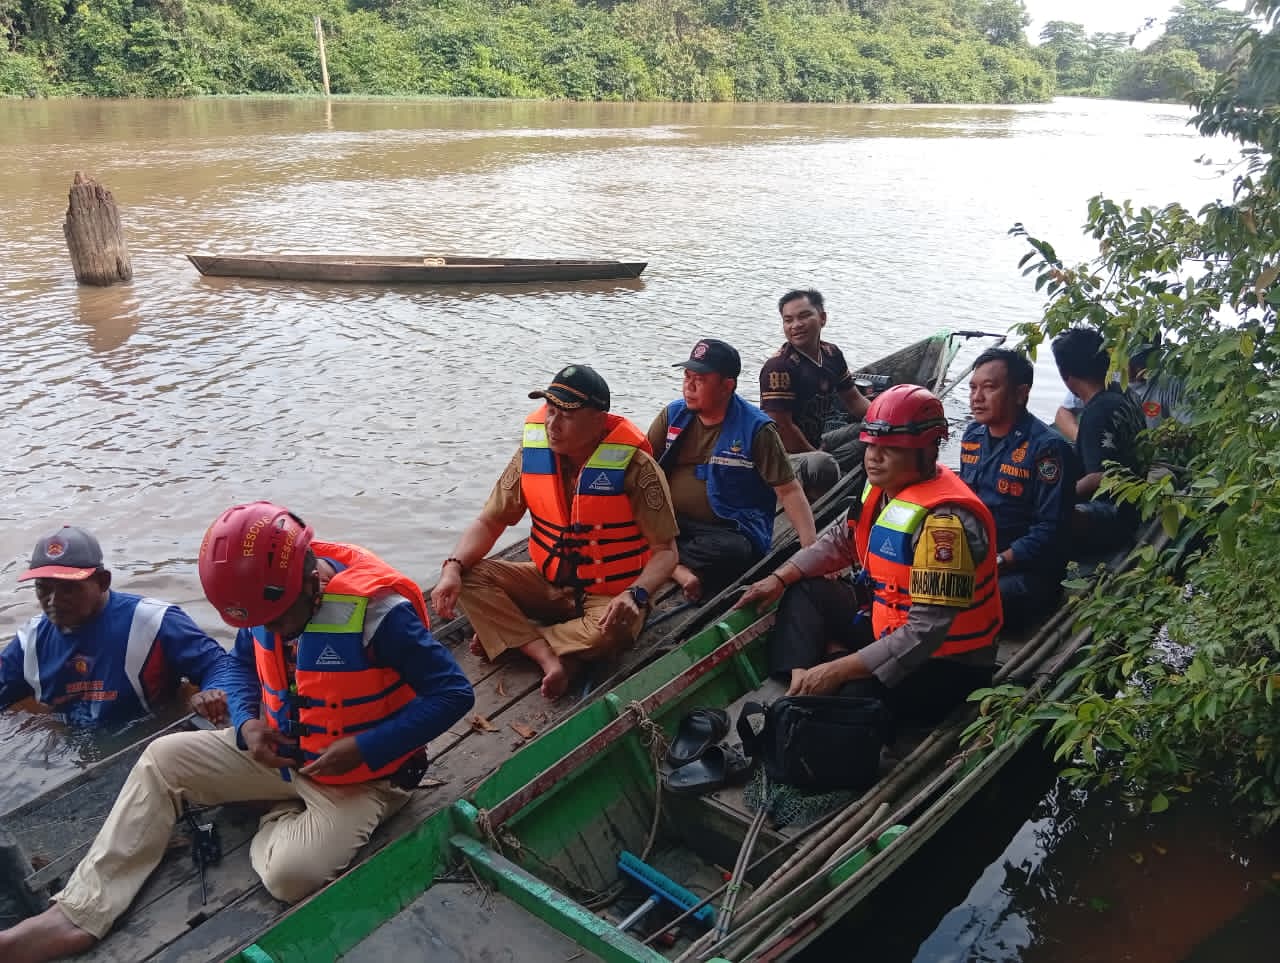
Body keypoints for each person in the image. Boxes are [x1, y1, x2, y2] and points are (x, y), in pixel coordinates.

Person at [0, 503, 474, 963]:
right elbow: (239, 665)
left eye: (278, 618)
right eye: (253, 621)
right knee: (163, 759)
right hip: (284, 755)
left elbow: (454, 694)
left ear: (310, 582)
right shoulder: (261, 607)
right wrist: (247, 722)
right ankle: (79, 913)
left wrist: (364, 748)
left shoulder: (380, 615)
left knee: (289, 876)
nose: (270, 629)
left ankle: (276, 813)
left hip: (365, 776)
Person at [737, 384, 1002, 728]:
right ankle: (801, 678)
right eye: (871, 445)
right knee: (805, 591)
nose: (874, 456)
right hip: (884, 624)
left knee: (852, 696)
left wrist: (838, 669)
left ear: (926, 450)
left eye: (890, 448)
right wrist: (779, 577)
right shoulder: (879, 487)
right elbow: (841, 540)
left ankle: (826, 675)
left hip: (944, 662)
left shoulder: (946, 525)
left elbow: (925, 633)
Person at [432, 365, 679, 699]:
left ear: (598, 419)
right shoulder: (531, 456)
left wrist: (636, 595)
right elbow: (490, 522)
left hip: (610, 594)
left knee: (608, 635)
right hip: (547, 582)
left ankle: (517, 637)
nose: (552, 424)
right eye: (550, 411)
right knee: (469, 575)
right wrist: (452, 567)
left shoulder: (637, 467)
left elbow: (665, 552)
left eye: (567, 415)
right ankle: (545, 652)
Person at [0, 525, 235, 729]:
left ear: (103, 582)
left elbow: (218, 665)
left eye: (67, 589)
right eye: (43, 588)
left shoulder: (154, 622)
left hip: (147, 739)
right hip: (72, 749)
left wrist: (212, 692)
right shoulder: (29, 641)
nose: (52, 600)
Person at [648, 338, 817, 602]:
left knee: (736, 551)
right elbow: (642, 466)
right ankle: (677, 568)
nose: (689, 386)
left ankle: (664, 559)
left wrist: (810, 550)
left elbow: (788, 491)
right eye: (686, 376)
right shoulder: (673, 416)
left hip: (726, 530)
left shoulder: (756, 428)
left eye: (700, 380)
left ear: (727, 386)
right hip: (674, 522)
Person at [959, 349, 1077, 634]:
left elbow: (1051, 529)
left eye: (989, 388)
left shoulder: (1047, 449)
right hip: (977, 558)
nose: (977, 397)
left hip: (1025, 572)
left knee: (962, 605)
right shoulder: (972, 436)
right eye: (973, 388)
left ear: (1020, 393)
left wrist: (999, 561)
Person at [759, 289, 871, 500]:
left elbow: (853, 400)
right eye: (788, 320)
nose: (796, 325)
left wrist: (884, 421)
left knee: (872, 431)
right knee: (822, 464)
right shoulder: (779, 367)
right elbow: (780, 428)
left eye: (804, 316)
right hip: (785, 456)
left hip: (817, 441)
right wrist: (815, 453)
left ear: (822, 318)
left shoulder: (831, 354)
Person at [1051, 328, 1146, 555]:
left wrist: (1056, 499)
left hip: (1115, 514)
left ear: (1066, 376)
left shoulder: (1097, 413)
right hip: (1139, 499)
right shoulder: (1124, 392)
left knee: (1051, 515)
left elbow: (1101, 477)